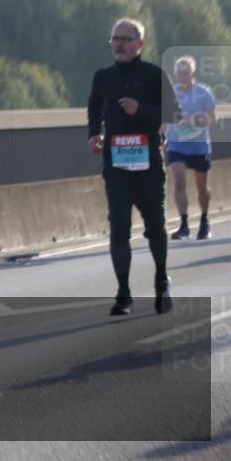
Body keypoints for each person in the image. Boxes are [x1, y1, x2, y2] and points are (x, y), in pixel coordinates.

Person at [87, 18, 179, 317]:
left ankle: (161, 280)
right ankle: (123, 293)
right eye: (115, 39)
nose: (119, 44)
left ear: (140, 43)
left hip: (148, 165)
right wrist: (94, 134)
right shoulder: (103, 77)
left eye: (126, 39)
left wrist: (141, 110)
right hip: (116, 166)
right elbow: (94, 108)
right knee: (119, 229)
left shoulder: (154, 74)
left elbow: (173, 112)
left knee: (155, 228)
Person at [165, 56, 217, 240]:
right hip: (177, 143)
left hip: (199, 146)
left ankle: (204, 220)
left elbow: (213, 118)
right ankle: (184, 224)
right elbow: (165, 118)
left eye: (186, 72)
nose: (182, 76)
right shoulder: (172, 93)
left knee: (201, 186)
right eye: (179, 73)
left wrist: (200, 120)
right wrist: (162, 137)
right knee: (179, 182)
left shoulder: (204, 92)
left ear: (192, 73)